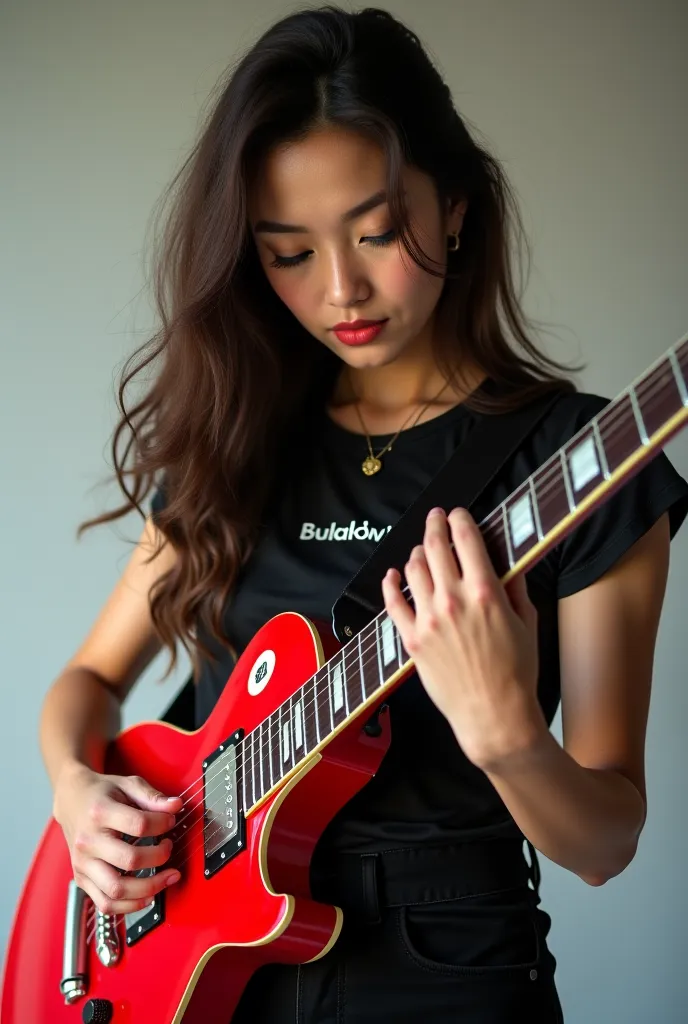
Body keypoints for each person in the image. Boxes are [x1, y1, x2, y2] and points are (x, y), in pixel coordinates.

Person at [38, 6, 688, 1022]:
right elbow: (84, 682)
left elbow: (605, 843)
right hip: (203, 976)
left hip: (449, 974)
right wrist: (80, 798)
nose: (340, 287)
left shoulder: (587, 459)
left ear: (456, 208)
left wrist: (505, 732)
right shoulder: (238, 445)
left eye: (377, 232)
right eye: (287, 251)